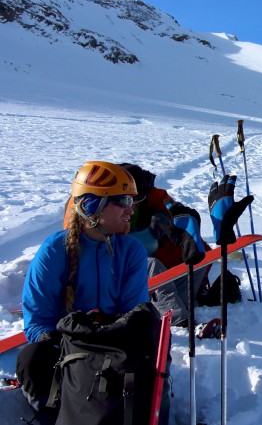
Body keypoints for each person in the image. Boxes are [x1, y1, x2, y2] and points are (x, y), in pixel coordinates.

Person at [16, 161, 152, 423]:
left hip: (115, 345)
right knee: (31, 359)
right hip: (66, 347)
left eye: (132, 201)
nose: (130, 209)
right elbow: (37, 318)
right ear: (92, 206)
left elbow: (134, 312)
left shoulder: (131, 251)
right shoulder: (55, 250)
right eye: (122, 200)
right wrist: (64, 344)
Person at [118, 163, 208, 326]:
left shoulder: (153, 196)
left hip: (145, 271)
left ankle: (174, 309)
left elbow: (171, 211)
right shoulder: (102, 206)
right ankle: (179, 320)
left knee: (198, 259)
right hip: (116, 270)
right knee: (152, 266)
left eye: (138, 199)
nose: (133, 206)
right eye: (129, 200)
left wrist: (164, 221)